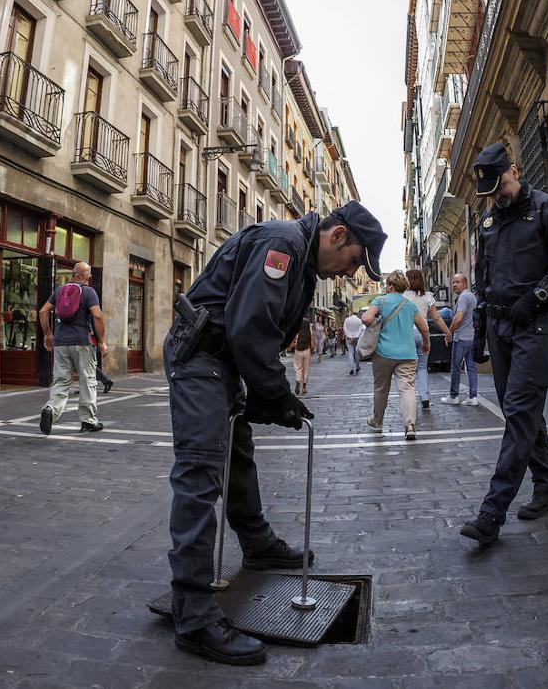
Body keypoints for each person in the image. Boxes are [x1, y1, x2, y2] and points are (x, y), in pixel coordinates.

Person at [165, 201, 386, 665]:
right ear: (338, 235)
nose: (349, 273)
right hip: (202, 354)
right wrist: (275, 395)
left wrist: (269, 396)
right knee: (202, 471)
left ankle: (257, 543)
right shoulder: (283, 244)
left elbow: (257, 334)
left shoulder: (302, 260)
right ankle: (194, 615)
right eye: (353, 261)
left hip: (221, 361)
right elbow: (251, 328)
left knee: (238, 454)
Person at [459, 142, 548, 545]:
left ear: (514, 170)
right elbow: (484, 280)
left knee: (518, 415)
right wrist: (480, 333)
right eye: (490, 190)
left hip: (533, 327)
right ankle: (547, 489)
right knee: (525, 415)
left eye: (500, 185)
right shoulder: (489, 223)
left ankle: (492, 513)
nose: (496, 195)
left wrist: (537, 297)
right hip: (499, 331)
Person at [362, 270, 431, 440]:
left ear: (391, 286)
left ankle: (377, 421)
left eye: (387, 285)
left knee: (380, 389)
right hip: (407, 354)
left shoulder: (380, 300)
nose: (386, 288)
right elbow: (424, 328)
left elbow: (366, 319)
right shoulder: (410, 305)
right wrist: (426, 344)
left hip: (383, 353)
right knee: (407, 388)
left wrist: (372, 317)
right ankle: (410, 425)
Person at [39, 262, 106, 435]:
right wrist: (102, 340)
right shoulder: (89, 292)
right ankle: (88, 421)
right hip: (83, 343)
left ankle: (50, 410)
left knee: (61, 381)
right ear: (81, 275)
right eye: (89, 274)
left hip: (61, 344)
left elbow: (43, 311)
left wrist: (48, 334)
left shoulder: (59, 291)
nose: (90, 277)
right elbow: (97, 315)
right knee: (87, 381)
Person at [404, 269, 451, 410]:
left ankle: (410, 398)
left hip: (407, 335)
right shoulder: (427, 296)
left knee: (408, 370)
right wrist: (448, 333)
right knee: (423, 367)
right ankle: (425, 397)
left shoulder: (402, 296)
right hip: (423, 335)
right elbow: (437, 318)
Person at [441, 274, 479, 406]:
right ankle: (473, 397)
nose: (455, 285)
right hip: (472, 337)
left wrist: (449, 332)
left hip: (461, 338)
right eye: (453, 282)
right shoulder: (472, 297)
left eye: (458, 282)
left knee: (456, 367)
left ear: (465, 283)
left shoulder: (463, 297)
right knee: (472, 367)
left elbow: (458, 318)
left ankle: (454, 396)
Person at [292, 318, 313, 395]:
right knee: (306, 369)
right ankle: (304, 388)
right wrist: (312, 349)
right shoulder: (309, 331)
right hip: (307, 350)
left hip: (298, 350)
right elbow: (312, 342)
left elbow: (293, 341)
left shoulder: (297, 331)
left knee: (298, 367)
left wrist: (293, 345)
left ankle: (298, 381)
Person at [343, 310, 364, 375]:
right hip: (357, 339)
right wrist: (356, 336)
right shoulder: (359, 320)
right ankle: (357, 367)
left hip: (349, 339)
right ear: (357, 314)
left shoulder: (347, 320)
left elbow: (345, 329)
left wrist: (349, 336)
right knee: (357, 354)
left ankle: (352, 368)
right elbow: (361, 330)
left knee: (350, 354)